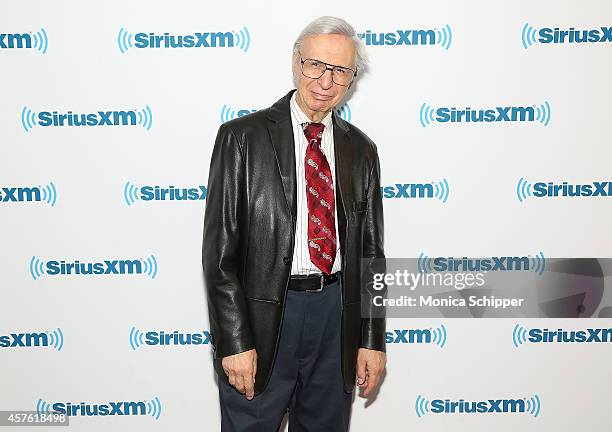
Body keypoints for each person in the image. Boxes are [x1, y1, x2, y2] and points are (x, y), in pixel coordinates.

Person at [202, 15, 386, 432]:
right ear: (295, 63)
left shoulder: (362, 150)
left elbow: (372, 255)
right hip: (264, 319)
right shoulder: (241, 139)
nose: (326, 80)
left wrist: (371, 340)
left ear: (352, 78)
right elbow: (219, 257)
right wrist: (234, 341)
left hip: (335, 319)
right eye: (316, 65)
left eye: (340, 70)